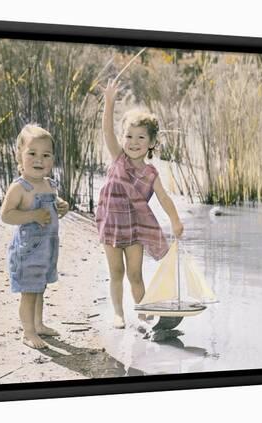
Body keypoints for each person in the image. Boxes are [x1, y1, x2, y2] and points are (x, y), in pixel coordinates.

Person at [96, 79, 184, 329]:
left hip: (135, 230)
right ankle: (118, 314)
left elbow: (164, 198)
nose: (133, 142)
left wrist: (175, 221)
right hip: (111, 225)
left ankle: (143, 311)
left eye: (140, 137)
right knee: (116, 273)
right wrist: (109, 102)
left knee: (135, 274)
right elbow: (107, 132)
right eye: (129, 136)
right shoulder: (118, 159)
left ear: (152, 142)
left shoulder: (150, 173)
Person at [1, 124, 69, 349]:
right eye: (32, 153)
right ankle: (28, 332)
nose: (39, 159)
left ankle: (38, 324)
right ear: (19, 156)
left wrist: (61, 206)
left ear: (52, 160)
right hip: (28, 251)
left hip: (48, 249)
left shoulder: (49, 184)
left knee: (40, 288)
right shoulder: (20, 187)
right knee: (29, 292)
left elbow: (52, 207)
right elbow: (7, 215)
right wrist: (32, 215)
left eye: (46, 155)